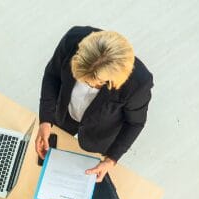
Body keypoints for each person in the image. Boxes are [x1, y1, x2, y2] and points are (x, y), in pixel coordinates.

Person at [36, 26, 154, 182]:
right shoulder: (73, 39)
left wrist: (110, 160)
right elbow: (52, 76)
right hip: (65, 114)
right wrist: (45, 121)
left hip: (100, 133)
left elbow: (135, 123)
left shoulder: (139, 83)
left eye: (92, 84)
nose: (86, 85)